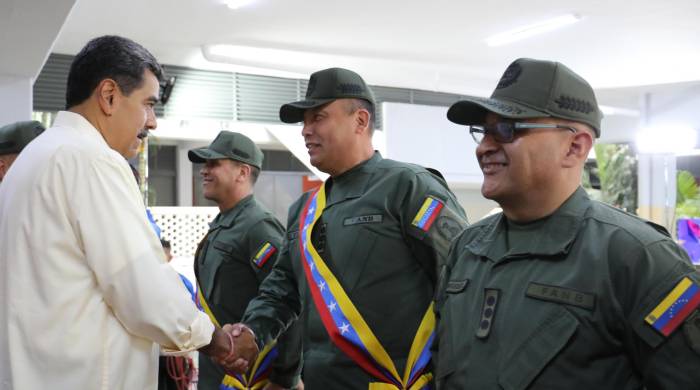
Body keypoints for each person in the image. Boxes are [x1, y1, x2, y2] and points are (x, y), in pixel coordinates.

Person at [434, 58, 700, 389]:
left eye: (506, 129)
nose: (485, 147)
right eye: (484, 131)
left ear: (574, 148)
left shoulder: (635, 257)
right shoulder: (467, 247)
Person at [0, 35, 246, 389]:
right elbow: (143, 288)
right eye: (148, 104)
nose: (153, 121)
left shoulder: (34, 159)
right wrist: (218, 342)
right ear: (110, 95)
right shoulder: (91, 160)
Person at [232, 67, 468, 389]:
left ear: (360, 120)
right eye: (305, 121)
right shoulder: (304, 210)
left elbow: (462, 287)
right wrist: (250, 331)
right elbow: (282, 288)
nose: (305, 130)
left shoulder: (408, 187)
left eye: (318, 117)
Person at [188, 131, 302, 390]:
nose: (204, 171)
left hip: (252, 379)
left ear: (242, 172)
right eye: (204, 165)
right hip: (217, 374)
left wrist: (285, 379)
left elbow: (291, 302)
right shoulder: (224, 223)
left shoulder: (258, 227)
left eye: (214, 164)